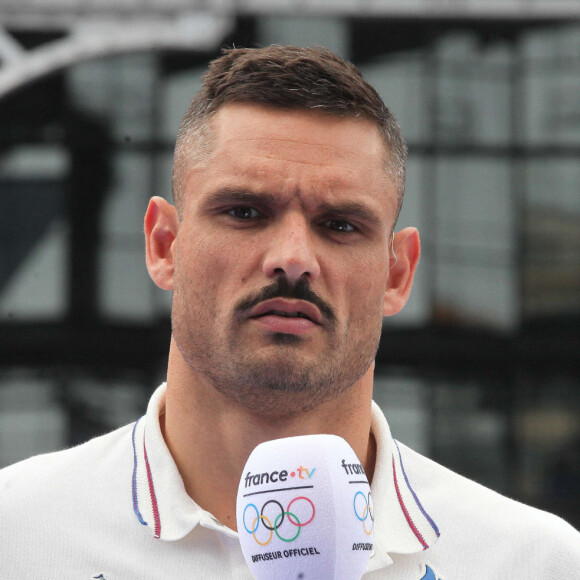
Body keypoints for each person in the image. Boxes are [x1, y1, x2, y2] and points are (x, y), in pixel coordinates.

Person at [0, 45, 579, 579]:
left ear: (398, 273)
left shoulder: (534, 563)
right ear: (162, 246)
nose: (294, 260)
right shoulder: (17, 536)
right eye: (246, 212)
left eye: (340, 225)